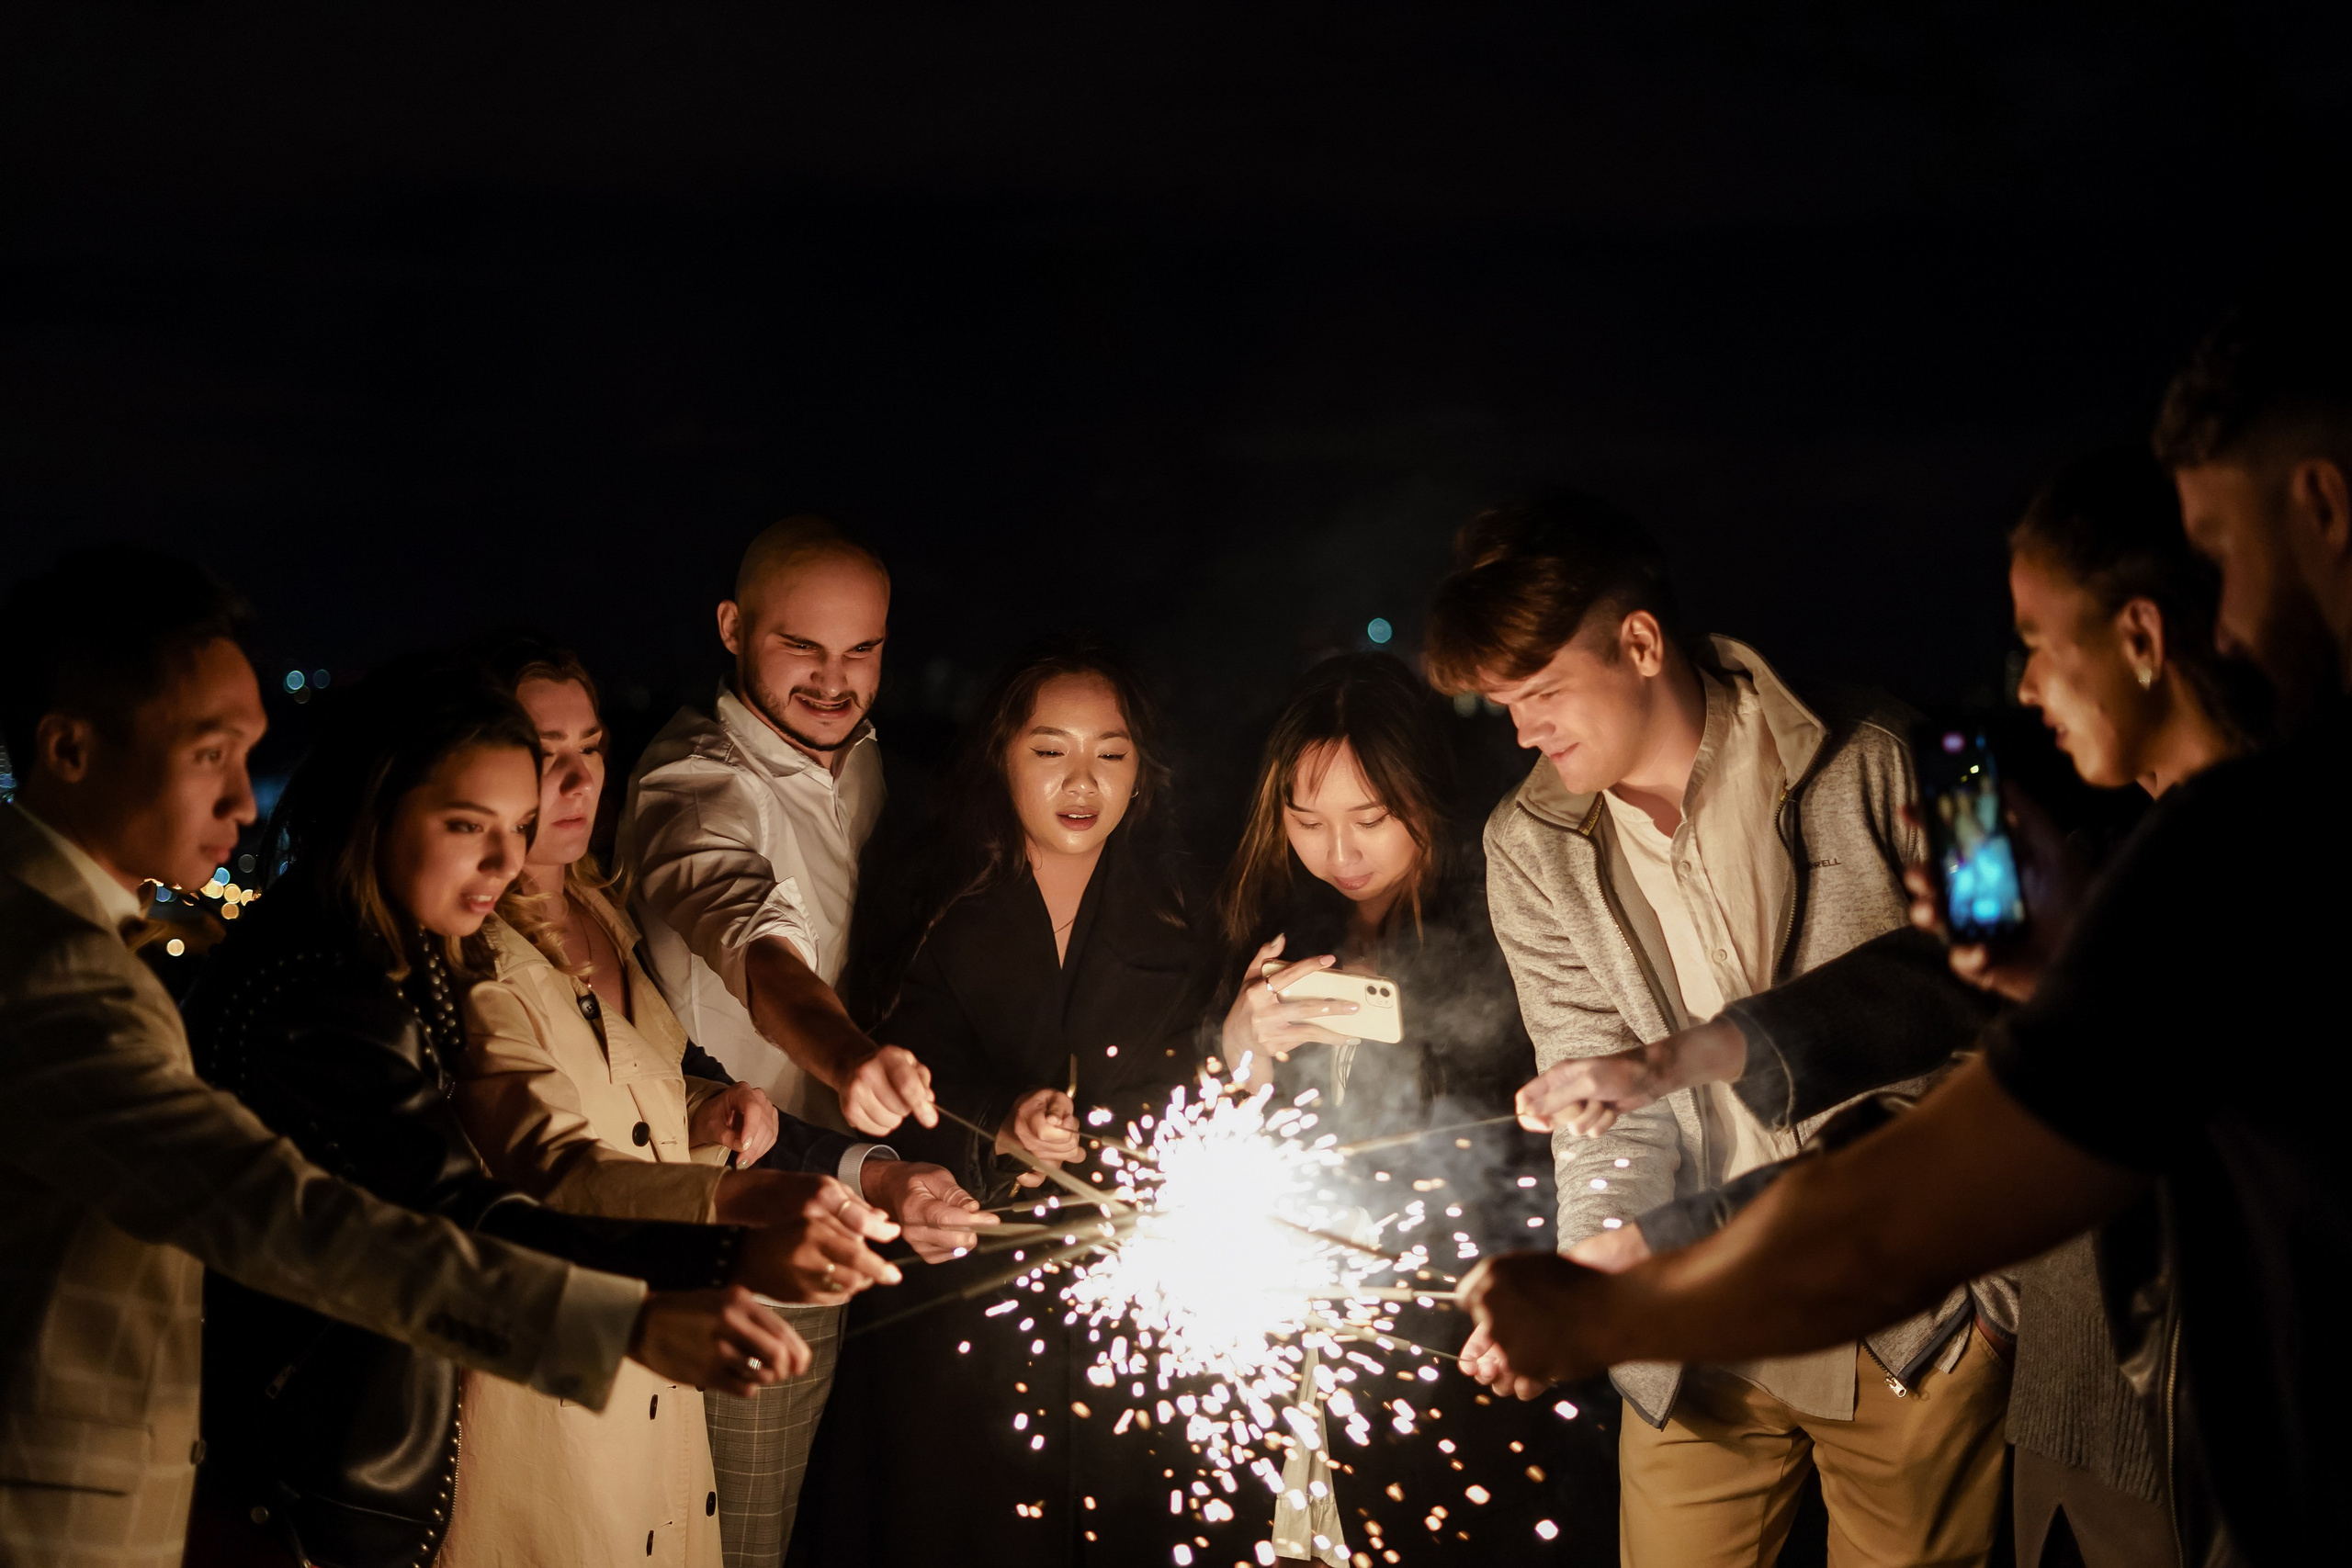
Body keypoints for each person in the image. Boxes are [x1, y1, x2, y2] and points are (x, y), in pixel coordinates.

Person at [1460, 275, 2352, 1567]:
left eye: (2213, 548)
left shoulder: (2226, 852)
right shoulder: (2181, 869)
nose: (2028, 686)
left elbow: (1898, 1213)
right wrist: (2062, 968)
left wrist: (1613, 1297)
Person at [0, 546, 795, 1568]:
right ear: (68, 749)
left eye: (251, 755)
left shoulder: (118, 946)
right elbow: (293, 1215)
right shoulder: (60, 971)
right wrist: (633, 1311)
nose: (245, 804)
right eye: (210, 754)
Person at [181, 659, 904, 1568]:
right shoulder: (320, 990)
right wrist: (715, 1251)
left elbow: (647, 1084)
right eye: (465, 826)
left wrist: (739, 1153)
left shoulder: (405, 954)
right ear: (379, 801)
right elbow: (457, 1213)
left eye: (516, 829)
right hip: (311, 1472)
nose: (503, 860)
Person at [1422, 494, 2013, 1567]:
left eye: (1544, 692)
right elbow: (1589, 1108)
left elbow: (1975, 998)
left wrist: (1985, 1303)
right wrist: (1600, 1283)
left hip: (1905, 1319)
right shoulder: (1530, 845)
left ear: (1640, 642)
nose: (1524, 731)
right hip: (1692, 1338)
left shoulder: (1873, 754)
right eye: (1504, 705)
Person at [440, 637, 996, 1568]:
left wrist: (732, 1122)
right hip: (555, 1377)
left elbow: (649, 1077)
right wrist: (750, 1202)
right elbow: (553, 1170)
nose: (575, 780)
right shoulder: (470, 959)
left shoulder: (602, 913)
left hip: (664, 1387)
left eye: (590, 747)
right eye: (543, 753)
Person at [794, 634, 1216, 1568]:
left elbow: (1192, 1078)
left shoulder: (1181, 905)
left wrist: (1096, 1132)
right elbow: (899, 1066)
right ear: (1000, 756)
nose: (1081, 779)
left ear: (1142, 771)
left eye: (1109, 753)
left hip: (1123, 1295)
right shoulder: (931, 890)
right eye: (1049, 749)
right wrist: (1003, 1124)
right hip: (955, 1284)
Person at [620, 516, 939, 1568]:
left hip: (843, 1208)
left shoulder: (877, 772)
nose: (834, 680)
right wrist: (850, 1062)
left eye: (863, 650)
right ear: (732, 628)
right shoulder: (694, 779)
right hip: (719, 1230)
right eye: (803, 646)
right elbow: (761, 952)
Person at [1215, 652, 1549, 1562]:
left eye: (1370, 818)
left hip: (1450, 1337)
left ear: (1424, 798)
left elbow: (1520, 1133)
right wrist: (1240, 1041)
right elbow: (1215, 1117)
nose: (1340, 853)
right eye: (1307, 820)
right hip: (1300, 1330)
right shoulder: (1285, 923)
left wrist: (1400, 1020)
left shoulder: (1499, 914)